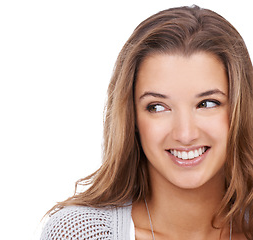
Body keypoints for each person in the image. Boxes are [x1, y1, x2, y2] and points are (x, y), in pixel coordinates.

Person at [41, 5, 253, 240]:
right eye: (157, 107)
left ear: (241, 110)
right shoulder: (81, 234)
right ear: (132, 118)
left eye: (207, 103)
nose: (185, 133)